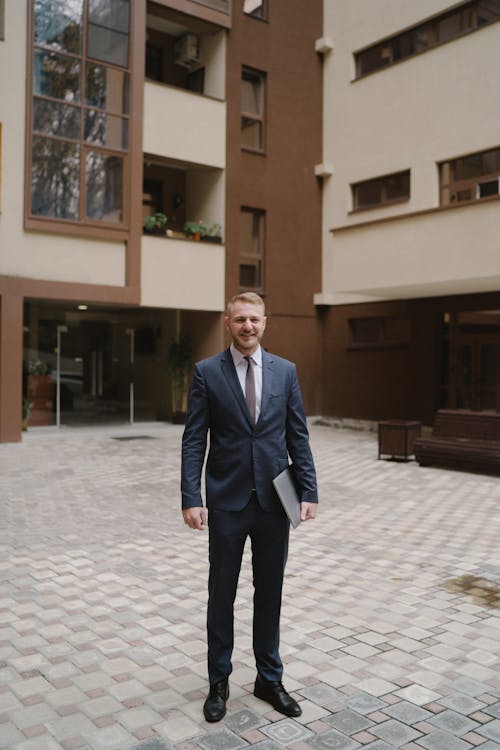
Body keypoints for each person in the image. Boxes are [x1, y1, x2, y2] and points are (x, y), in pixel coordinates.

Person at [181, 291, 318, 723]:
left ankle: (268, 679)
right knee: (221, 593)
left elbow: (298, 435)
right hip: (226, 501)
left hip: (276, 500)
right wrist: (191, 497)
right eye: (239, 319)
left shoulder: (286, 372)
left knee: (270, 592)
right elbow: (193, 440)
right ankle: (218, 682)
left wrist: (309, 491)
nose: (247, 326)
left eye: (254, 319)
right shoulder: (206, 373)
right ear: (228, 322)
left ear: (265, 322)